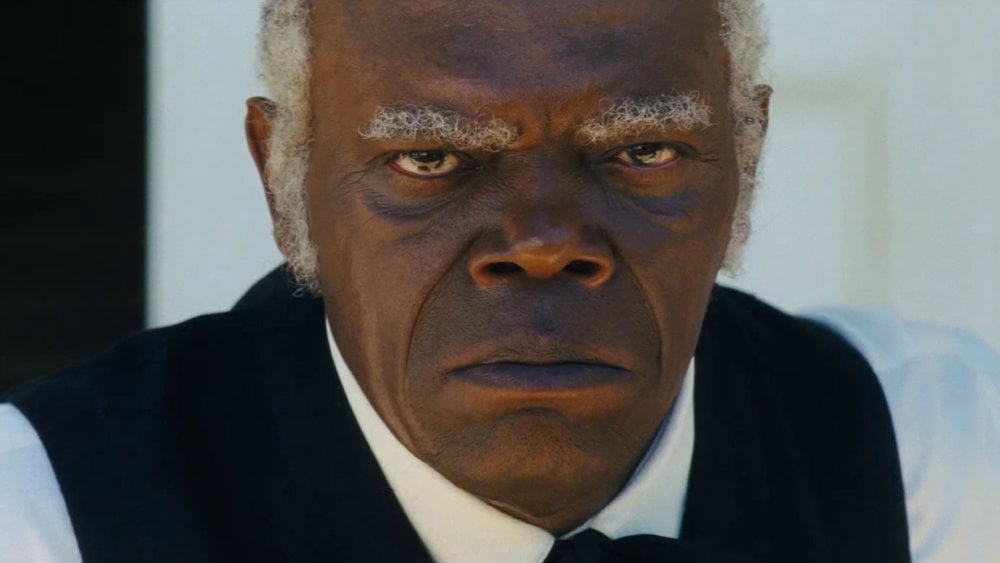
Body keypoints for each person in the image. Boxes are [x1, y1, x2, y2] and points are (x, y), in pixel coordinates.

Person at [1, 1, 998, 562]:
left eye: (642, 149)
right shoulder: (51, 513)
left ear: (747, 156)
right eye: (431, 158)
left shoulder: (932, 460)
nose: (543, 242)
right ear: (283, 176)